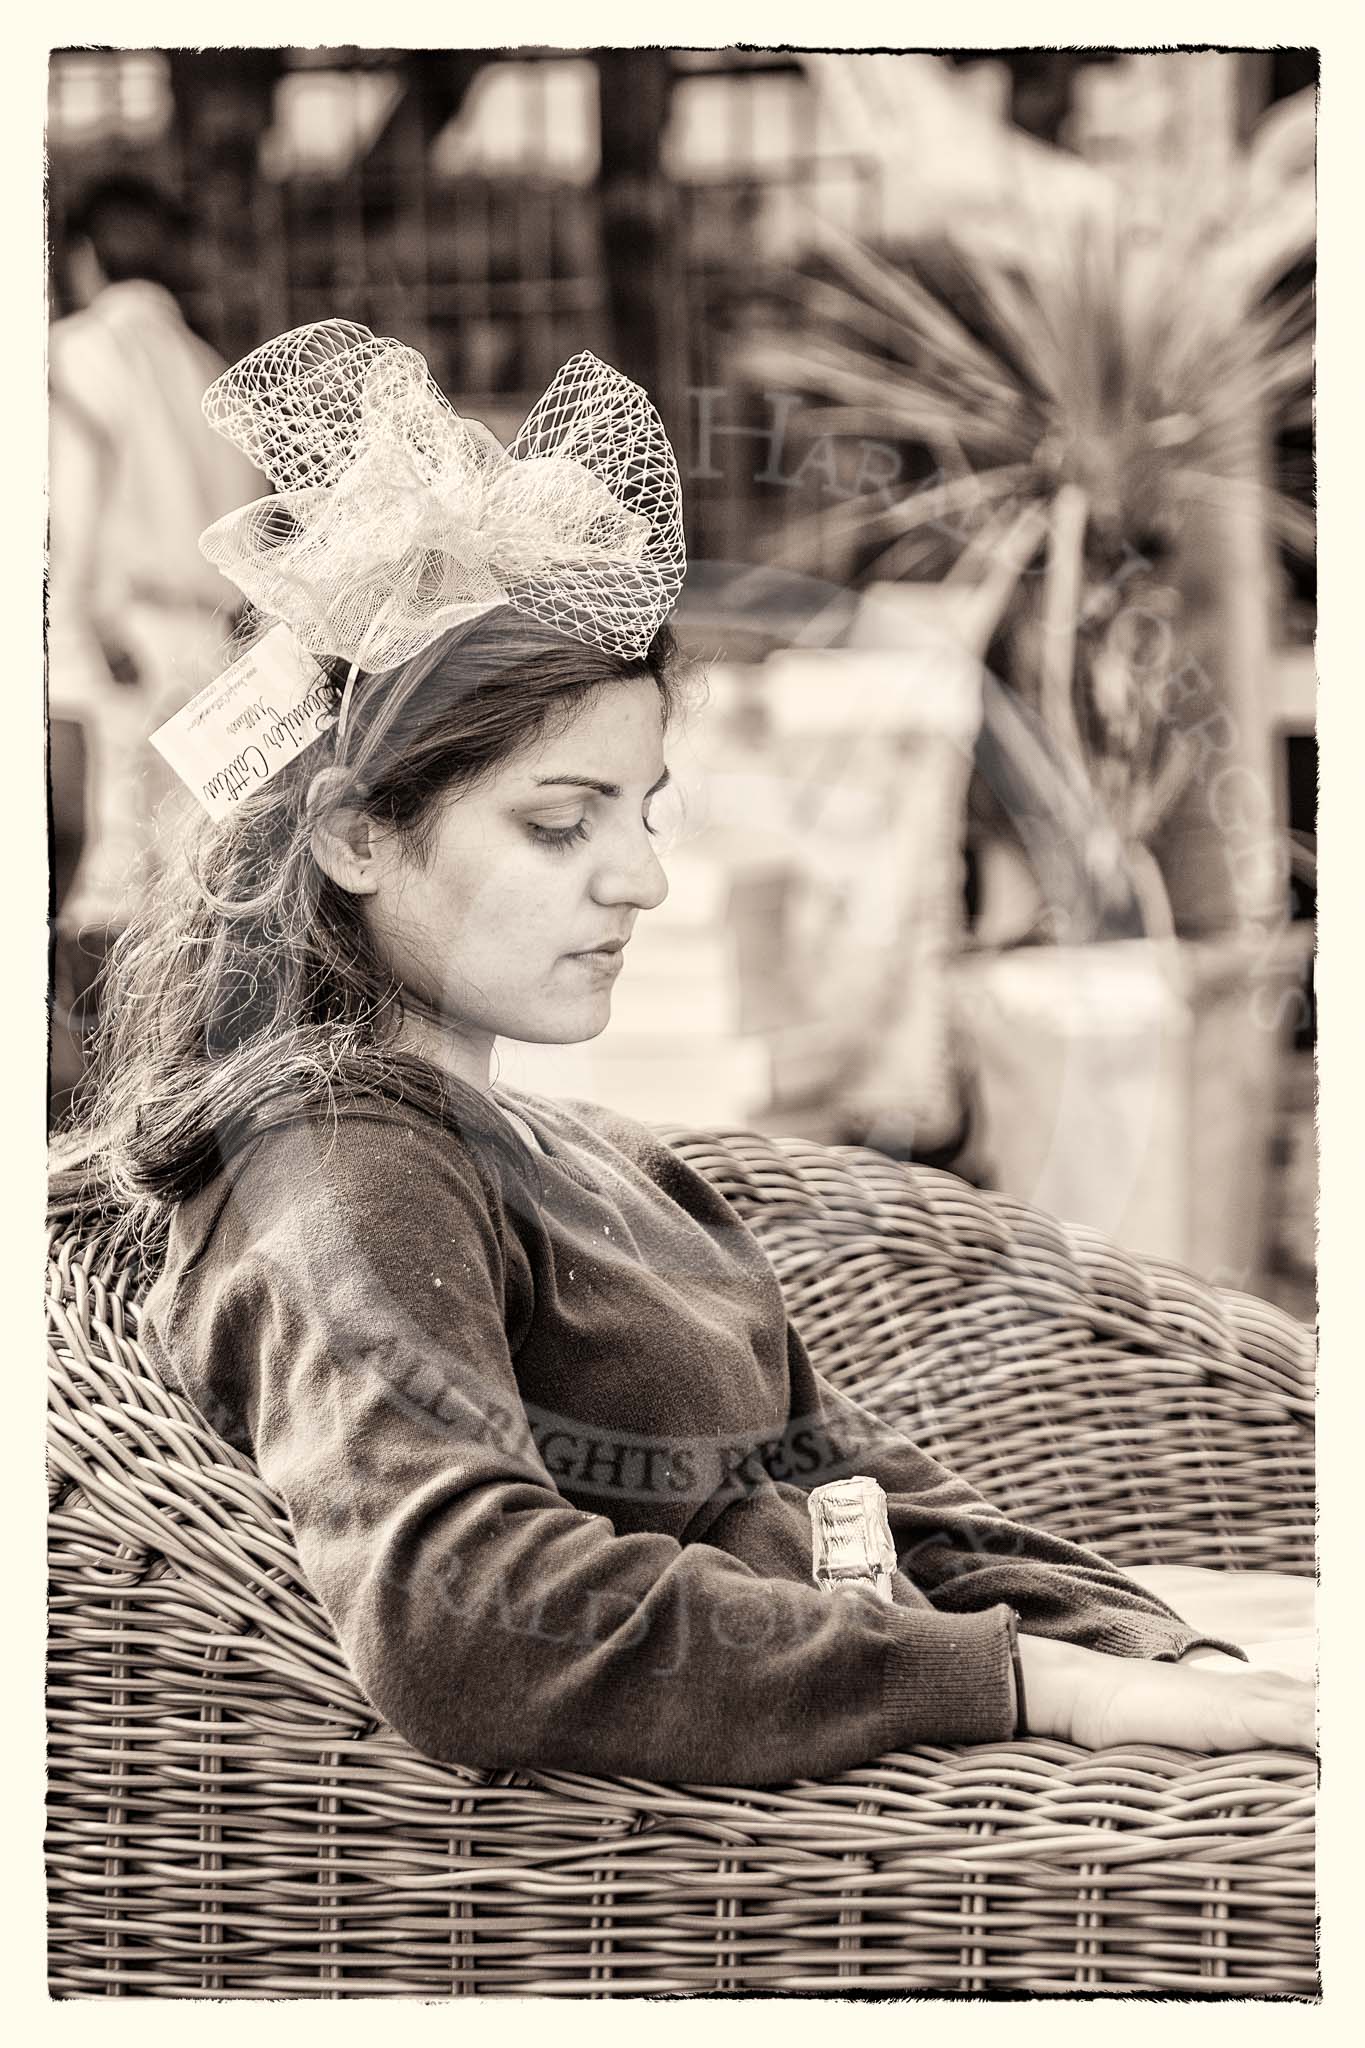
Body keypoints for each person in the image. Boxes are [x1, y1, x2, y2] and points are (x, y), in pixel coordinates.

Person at [61, 321, 1313, 1787]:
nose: (643, 880)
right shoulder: (343, 1174)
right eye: (559, 824)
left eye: (643, 810)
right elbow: (471, 1617)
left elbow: (867, 1489)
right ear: (353, 835)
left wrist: (1157, 1657)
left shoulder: (599, 1158)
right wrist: (1025, 1684)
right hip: (762, 1859)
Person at [47, 175, 262, 1119]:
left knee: (107, 870)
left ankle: (100, 1105)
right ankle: (180, 1094)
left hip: (118, 632)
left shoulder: (75, 352)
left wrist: (83, 624)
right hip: (205, 643)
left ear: (85, 257)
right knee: (186, 873)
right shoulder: (208, 367)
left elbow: (67, 504)